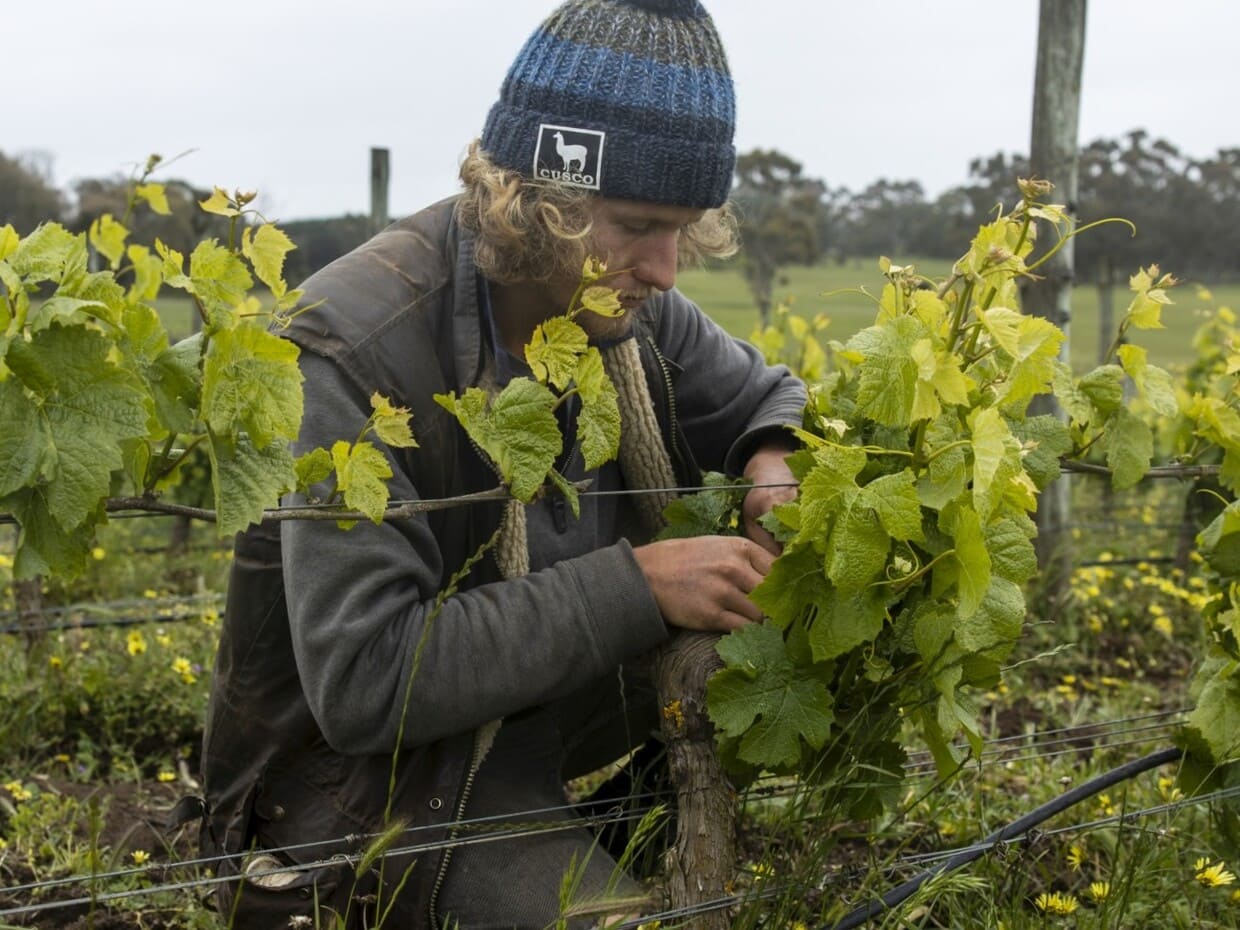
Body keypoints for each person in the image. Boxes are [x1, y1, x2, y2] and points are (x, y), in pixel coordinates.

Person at [197, 0, 806, 926]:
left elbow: (773, 395)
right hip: (355, 786)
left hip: (518, 736)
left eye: (682, 228)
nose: (668, 267)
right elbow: (363, 685)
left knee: (784, 639)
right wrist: (640, 583)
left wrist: (774, 459)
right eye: (640, 223)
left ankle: (594, 824)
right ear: (544, 203)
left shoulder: (617, 307)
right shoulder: (353, 345)